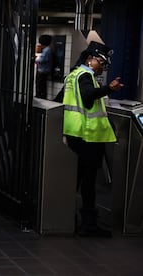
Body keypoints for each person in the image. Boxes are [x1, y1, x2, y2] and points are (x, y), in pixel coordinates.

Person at [62, 40, 123, 238]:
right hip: (88, 136)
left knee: (76, 181)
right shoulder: (85, 76)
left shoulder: (72, 75)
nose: (102, 66)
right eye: (100, 62)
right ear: (89, 59)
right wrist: (109, 89)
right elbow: (88, 97)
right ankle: (89, 224)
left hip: (75, 134)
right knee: (88, 183)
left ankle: (66, 218)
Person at [35, 34, 53, 99]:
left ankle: (40, 97)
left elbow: (42, 60)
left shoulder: (47, 50)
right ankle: (40, 96)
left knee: (40, 85)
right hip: (44, 71)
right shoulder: (47, 49)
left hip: (42, 71)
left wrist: (36, 58)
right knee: (42, 85)